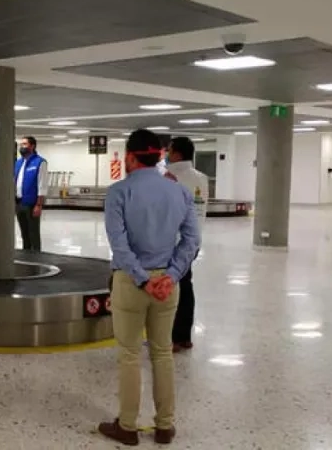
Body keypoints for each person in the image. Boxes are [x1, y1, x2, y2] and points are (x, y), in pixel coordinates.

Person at [99, 129, 200, 446]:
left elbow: (119, 245)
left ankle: (127, 426)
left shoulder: (118, 192)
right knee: (162, 354)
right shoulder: (179, 192)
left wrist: (143, 278)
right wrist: (171, 275)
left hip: (131, 282)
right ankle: (165, 426)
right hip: (168, 286)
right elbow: (192, 241)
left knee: (129, 354)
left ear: (130, 156)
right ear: (159, 155)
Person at [165, 137, 209, 352]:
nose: (166, 153)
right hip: (195, 240)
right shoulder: (202, 178)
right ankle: (184, 336)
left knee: (172, 287)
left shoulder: (171, 179)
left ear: (177, 154)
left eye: (169, 150)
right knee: (186, 284)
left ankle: (171, 337)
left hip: (175, 242)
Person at [14, 136, 48, 252]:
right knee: (24, 233)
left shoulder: (40, 162)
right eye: (21, 144)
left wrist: (39, 205)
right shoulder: (18, 163)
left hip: (32, 204)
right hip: (19, 203)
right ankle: (26, 255)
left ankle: (36, 257)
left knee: (33, 232)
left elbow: (42, 185)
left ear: (32, 146)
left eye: (24, 144)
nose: (21, 147)